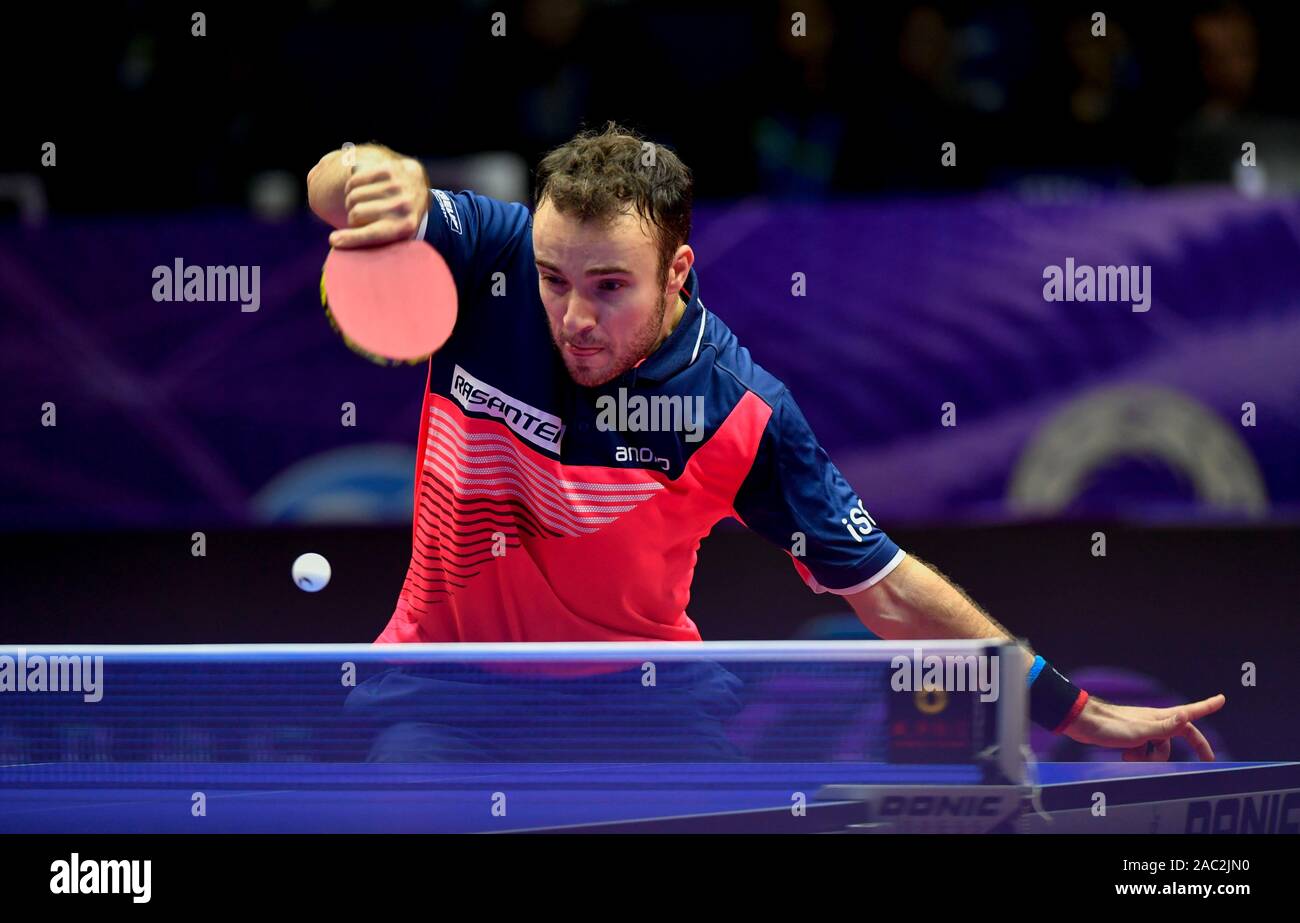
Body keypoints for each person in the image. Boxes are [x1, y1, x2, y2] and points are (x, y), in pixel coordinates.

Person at [307, 122, 1224, 762]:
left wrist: (1074, 705)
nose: (574, 316)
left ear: (677, 273)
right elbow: (334, 186)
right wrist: (375, 172)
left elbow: (890, 589)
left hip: (638, 699)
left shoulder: (736, 409)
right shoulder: (495, 261)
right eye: (555, 278)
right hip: (445, 693)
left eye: (610, 285)